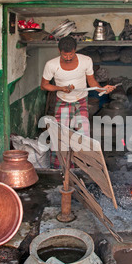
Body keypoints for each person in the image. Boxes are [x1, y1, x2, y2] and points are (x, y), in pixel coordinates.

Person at [40, 36, 115, 167]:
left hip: (81, 100)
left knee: (83, 135)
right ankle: (60, 168)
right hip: (62, 101)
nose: (68, 57)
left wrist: (102, 89)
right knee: (61, 137)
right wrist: (61, 88)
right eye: (65, 55)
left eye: (71, 54)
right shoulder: (51, 65)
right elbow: (44, 85)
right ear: (59, 51)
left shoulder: (86, 61)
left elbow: (91, 81)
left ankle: (81, 168)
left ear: (75, 50)